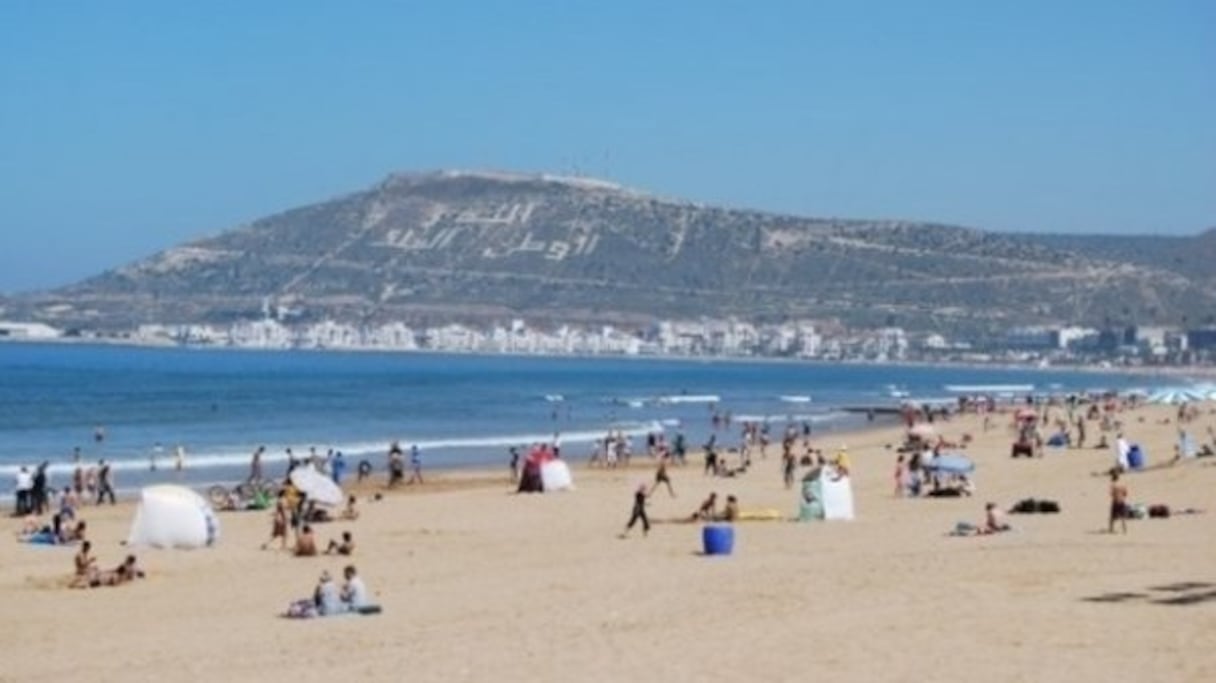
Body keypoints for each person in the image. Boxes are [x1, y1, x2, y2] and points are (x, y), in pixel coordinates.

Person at [1109, 470, 1129, 534]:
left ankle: (1111, 529)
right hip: (1122, 501)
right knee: (1123, 517)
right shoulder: (1122, 484)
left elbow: (1111, 494)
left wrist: (1115, 496)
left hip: (1116, 501)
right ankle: (1125, 530)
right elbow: (1126, 493)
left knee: (1112, 517)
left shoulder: (1113, 485)